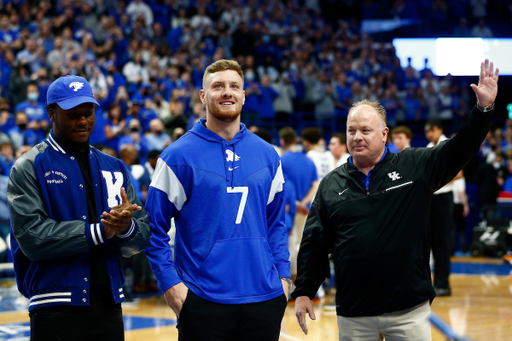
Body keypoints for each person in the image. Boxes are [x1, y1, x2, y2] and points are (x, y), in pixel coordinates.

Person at [293, 60, 498, 341]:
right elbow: (315, 241)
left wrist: (483, 110)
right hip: (354, 311)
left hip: (409, 309)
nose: (357, 137)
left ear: (384, 133)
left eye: (365, 130)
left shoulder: (414, 166)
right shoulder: (332, 183)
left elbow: (460, 148)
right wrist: (304, 289)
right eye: (351, 130)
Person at [144, 59, 290, 341]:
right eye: (218, 86)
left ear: (244, 96)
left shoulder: (268, 155)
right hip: (202, 300)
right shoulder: (177, 156)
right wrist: (171, 286)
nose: (227, 92)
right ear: (202, 96)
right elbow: (154, 229)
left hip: (265, 298)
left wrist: (284, 279)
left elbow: (276, 224)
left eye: (235, 86)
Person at [7, 75, 151, 340]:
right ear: (51, 114)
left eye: (88, 113)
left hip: (110, 301)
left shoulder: (115, 167)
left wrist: (126, 227)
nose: (83, 121)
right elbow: (32, 237)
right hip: (54, 305)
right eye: (73, 114)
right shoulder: (28, 166)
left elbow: (138, 241)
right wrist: (98, 231)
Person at [424, 119, 458, 296]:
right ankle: (430, 284)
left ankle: (443, 284)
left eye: (431, 130)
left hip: (444, 197)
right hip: (431, 198)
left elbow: (458, 173)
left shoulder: (447, 144)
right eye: (427, 131)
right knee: (428, 242)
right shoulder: (429, 147)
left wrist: (437, 180)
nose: (429, 134)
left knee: (442, 242)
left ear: (438, 129)